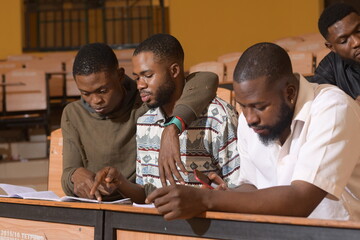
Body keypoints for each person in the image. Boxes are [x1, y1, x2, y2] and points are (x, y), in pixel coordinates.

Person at [145, 42, 360, 221]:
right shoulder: (251, 118)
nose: (249, 119)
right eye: (242, 106)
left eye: (260, 106)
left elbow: (300, 201)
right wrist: (225, 195)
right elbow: (253, 186)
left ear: (290, 93)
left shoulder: (332, 108)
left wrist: (206, 200)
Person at [90, 34, 240, 202]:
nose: (140, 84)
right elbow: (147, 194)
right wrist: (121, 182)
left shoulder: (217, 116)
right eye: (137, 77)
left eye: (148, 75)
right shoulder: (145, 121)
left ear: (174, 71)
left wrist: (210, 196)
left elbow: (239, 188)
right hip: (157, 225)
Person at [61, 43, 219, 200]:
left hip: (138, 198)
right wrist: (74, 176)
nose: (95, 100)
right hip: (97, 204)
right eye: (85, 93)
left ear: (120, 76)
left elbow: (207, 79)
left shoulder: (145, 102)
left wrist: (173, 126)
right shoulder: (73, 114)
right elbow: (67, 175)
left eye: (103, 91)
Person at [309, 3, 360, 104]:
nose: (357, 42)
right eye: (344, 41)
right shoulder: (329, 67)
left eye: (359, 31)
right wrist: (353, 107)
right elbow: (317, 104)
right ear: (331, 47)